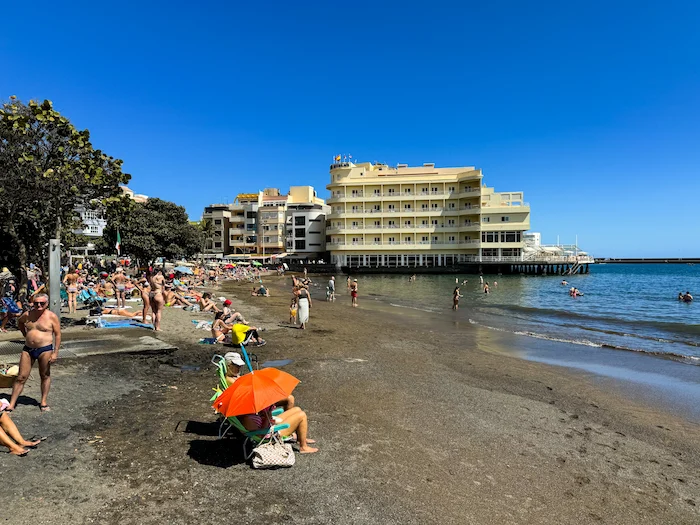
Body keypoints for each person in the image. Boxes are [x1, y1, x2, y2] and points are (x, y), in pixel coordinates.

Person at [8, 293, 60, 412]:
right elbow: (20, 322)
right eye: (36, 303)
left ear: (47, 304)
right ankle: (12, 404)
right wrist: (25, 334)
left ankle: (43, 402)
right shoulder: (27, 315)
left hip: (45, 349)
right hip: (28, 349)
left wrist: (55, 353)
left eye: (42, 303)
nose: (39, 305)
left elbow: (57, 335)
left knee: (45, 375)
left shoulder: (51, 316)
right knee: (21, 377)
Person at [241, 406, 317, 454]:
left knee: (297, 409)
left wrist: (264, 414)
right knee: (301, 415)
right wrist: (268, 417)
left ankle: (301, 438)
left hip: (270, 424)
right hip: (270, 434)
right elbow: (260, 434)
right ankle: (303, 447)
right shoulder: (246, 418)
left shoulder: (248, 412)